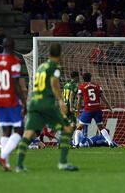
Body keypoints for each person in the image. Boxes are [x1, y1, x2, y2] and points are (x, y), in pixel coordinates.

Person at [16, 43, 79, 172]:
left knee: (28, 133)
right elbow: (54, 83)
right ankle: (63, 163)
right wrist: (61, 101)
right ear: (60, 54)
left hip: (34, 102)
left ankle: (19, 165)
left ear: (49, 54)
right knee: (67, 128)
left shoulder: (40, 67)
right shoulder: (54, 66)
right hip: (46, 103)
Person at [0, 37, 27, 171]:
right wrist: (24, 102)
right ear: (13, 47)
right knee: (19, 130)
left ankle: (6, 163)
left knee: (6, 130)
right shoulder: (14, 61)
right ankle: (2, 156)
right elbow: (16, 85)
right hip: (10, 100)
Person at [74, 73, 114, 148]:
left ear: (83, 79)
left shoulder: (82, 87)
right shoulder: (97, 86)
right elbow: (103, 98)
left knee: (79, 127)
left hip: (88, 109)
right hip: (97, 109)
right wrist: (110, 108)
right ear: (90, 78)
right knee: (101, 127)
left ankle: (76, 144)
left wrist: (78, 111)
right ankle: (110, 142)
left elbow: (79, 101)